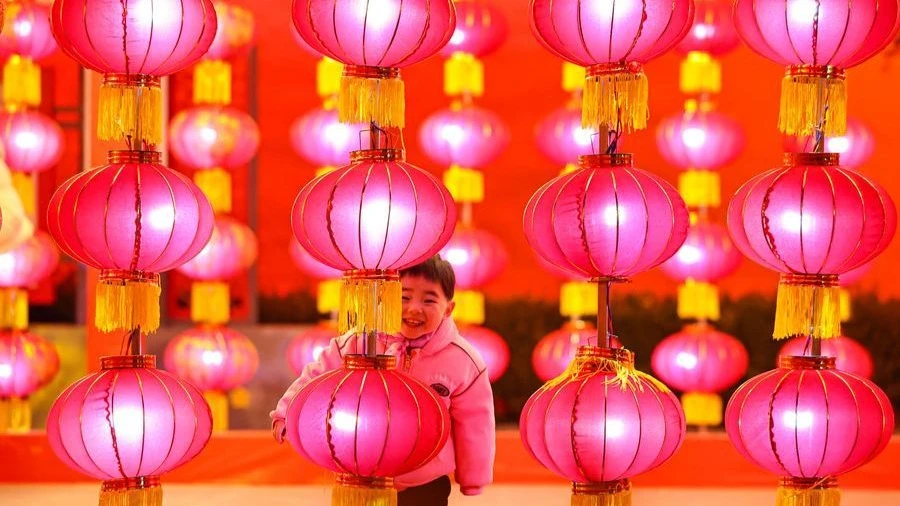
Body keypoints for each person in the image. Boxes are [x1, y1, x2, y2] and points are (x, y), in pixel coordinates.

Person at [271, 255, 496, 506]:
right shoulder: (363, 340)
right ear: (386, 298)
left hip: (424, 482)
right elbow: (318, 374)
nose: (414, 308)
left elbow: (475, 423)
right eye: (404, 297)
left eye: (429, 300)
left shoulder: (463, 360)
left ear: (448, 308)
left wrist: (473, 478)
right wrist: (286, 412)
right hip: (364, 476)